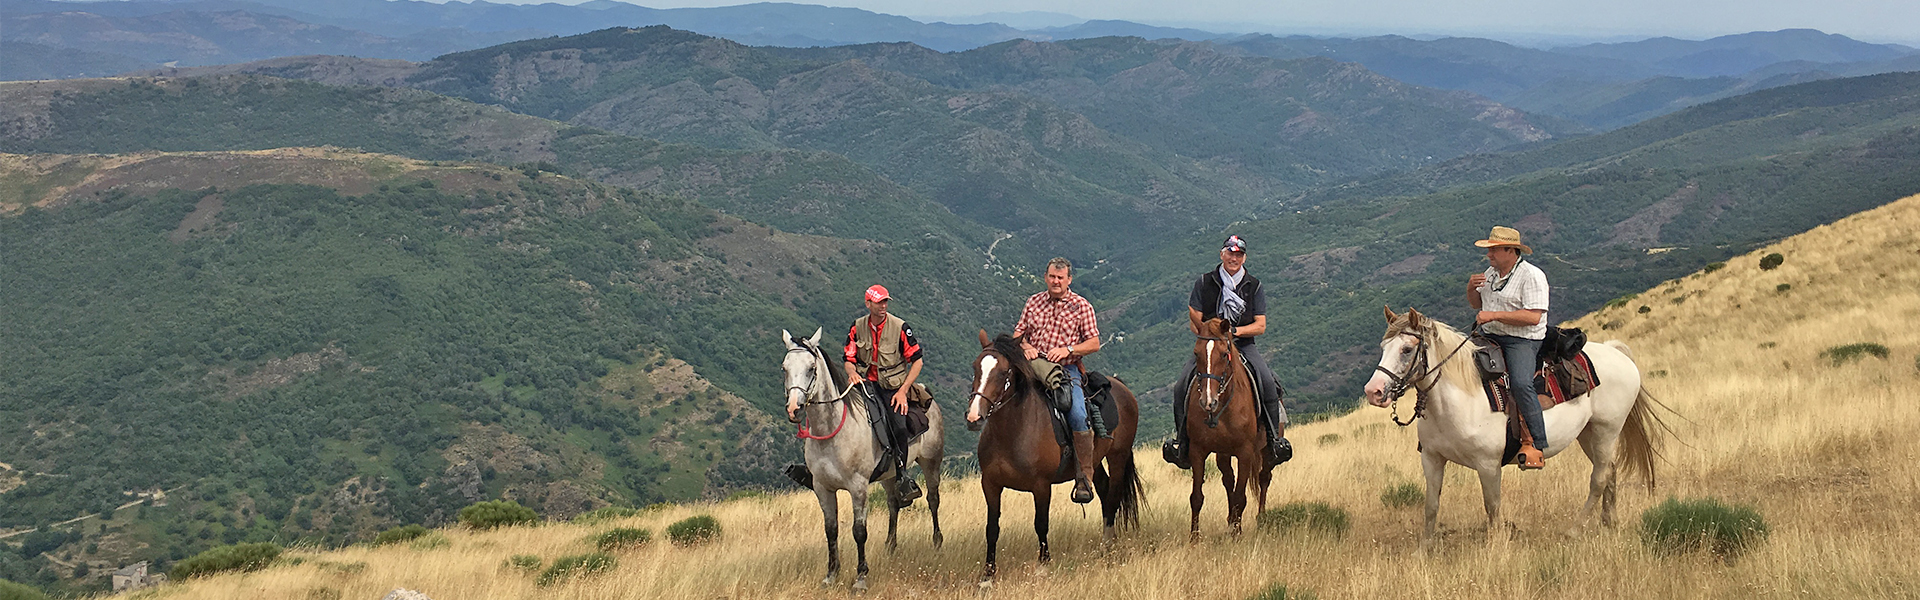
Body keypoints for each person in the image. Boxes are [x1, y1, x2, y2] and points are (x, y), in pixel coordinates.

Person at [1161, 235, 1290, 469]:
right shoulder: (1204, 282)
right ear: (1222, 255)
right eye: (1230, 253)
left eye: (1238, 254)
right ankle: (1182, 443)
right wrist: (1209, 335)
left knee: (1268, 383)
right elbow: (1195, 320)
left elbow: (1260, 325)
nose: (1234, 258)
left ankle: (1274, 441)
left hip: (1243, 344)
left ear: (1244, 258)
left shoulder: (1254, 285)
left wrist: (1234, 332)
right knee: (1181, 385)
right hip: (1210, 345)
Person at [1011, 258, 1103, 503]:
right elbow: (1017, 335)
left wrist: (1068, 349)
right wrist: (1026, 346)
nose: (1055, 281)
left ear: (1069, 280)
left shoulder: (1081, 306)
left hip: (1066, 369)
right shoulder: (1033, 302)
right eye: (1052, 276)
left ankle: (1084, 477)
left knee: (1076, 412)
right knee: (1004, 395)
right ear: (1046, 277)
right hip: (1032, 367)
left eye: (1060, 278)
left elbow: (1094, 343)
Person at [1468, 226, 1551, 470]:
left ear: (1510, 251)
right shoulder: (1491, 274)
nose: (1489, 255)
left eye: (1493, 250)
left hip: (1522, 340)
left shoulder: (1532, 276)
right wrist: (1470, 288)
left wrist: (1494, 315)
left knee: (1521, 383)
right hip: (1491, 335)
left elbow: (1534, 317)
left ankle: (1537, 441)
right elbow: (1476, 304)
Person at [844, 284, 928, 506]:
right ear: (868, 304)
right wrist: (852, 372)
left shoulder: (900, 327)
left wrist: (903, 391)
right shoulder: (857, 327)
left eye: (885, 302)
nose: (883, 306)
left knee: (898, 425)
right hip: (864, 384)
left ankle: (902, 477)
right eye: (879, 302)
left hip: (892, 387)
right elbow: (849, 358)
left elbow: (917, 360)